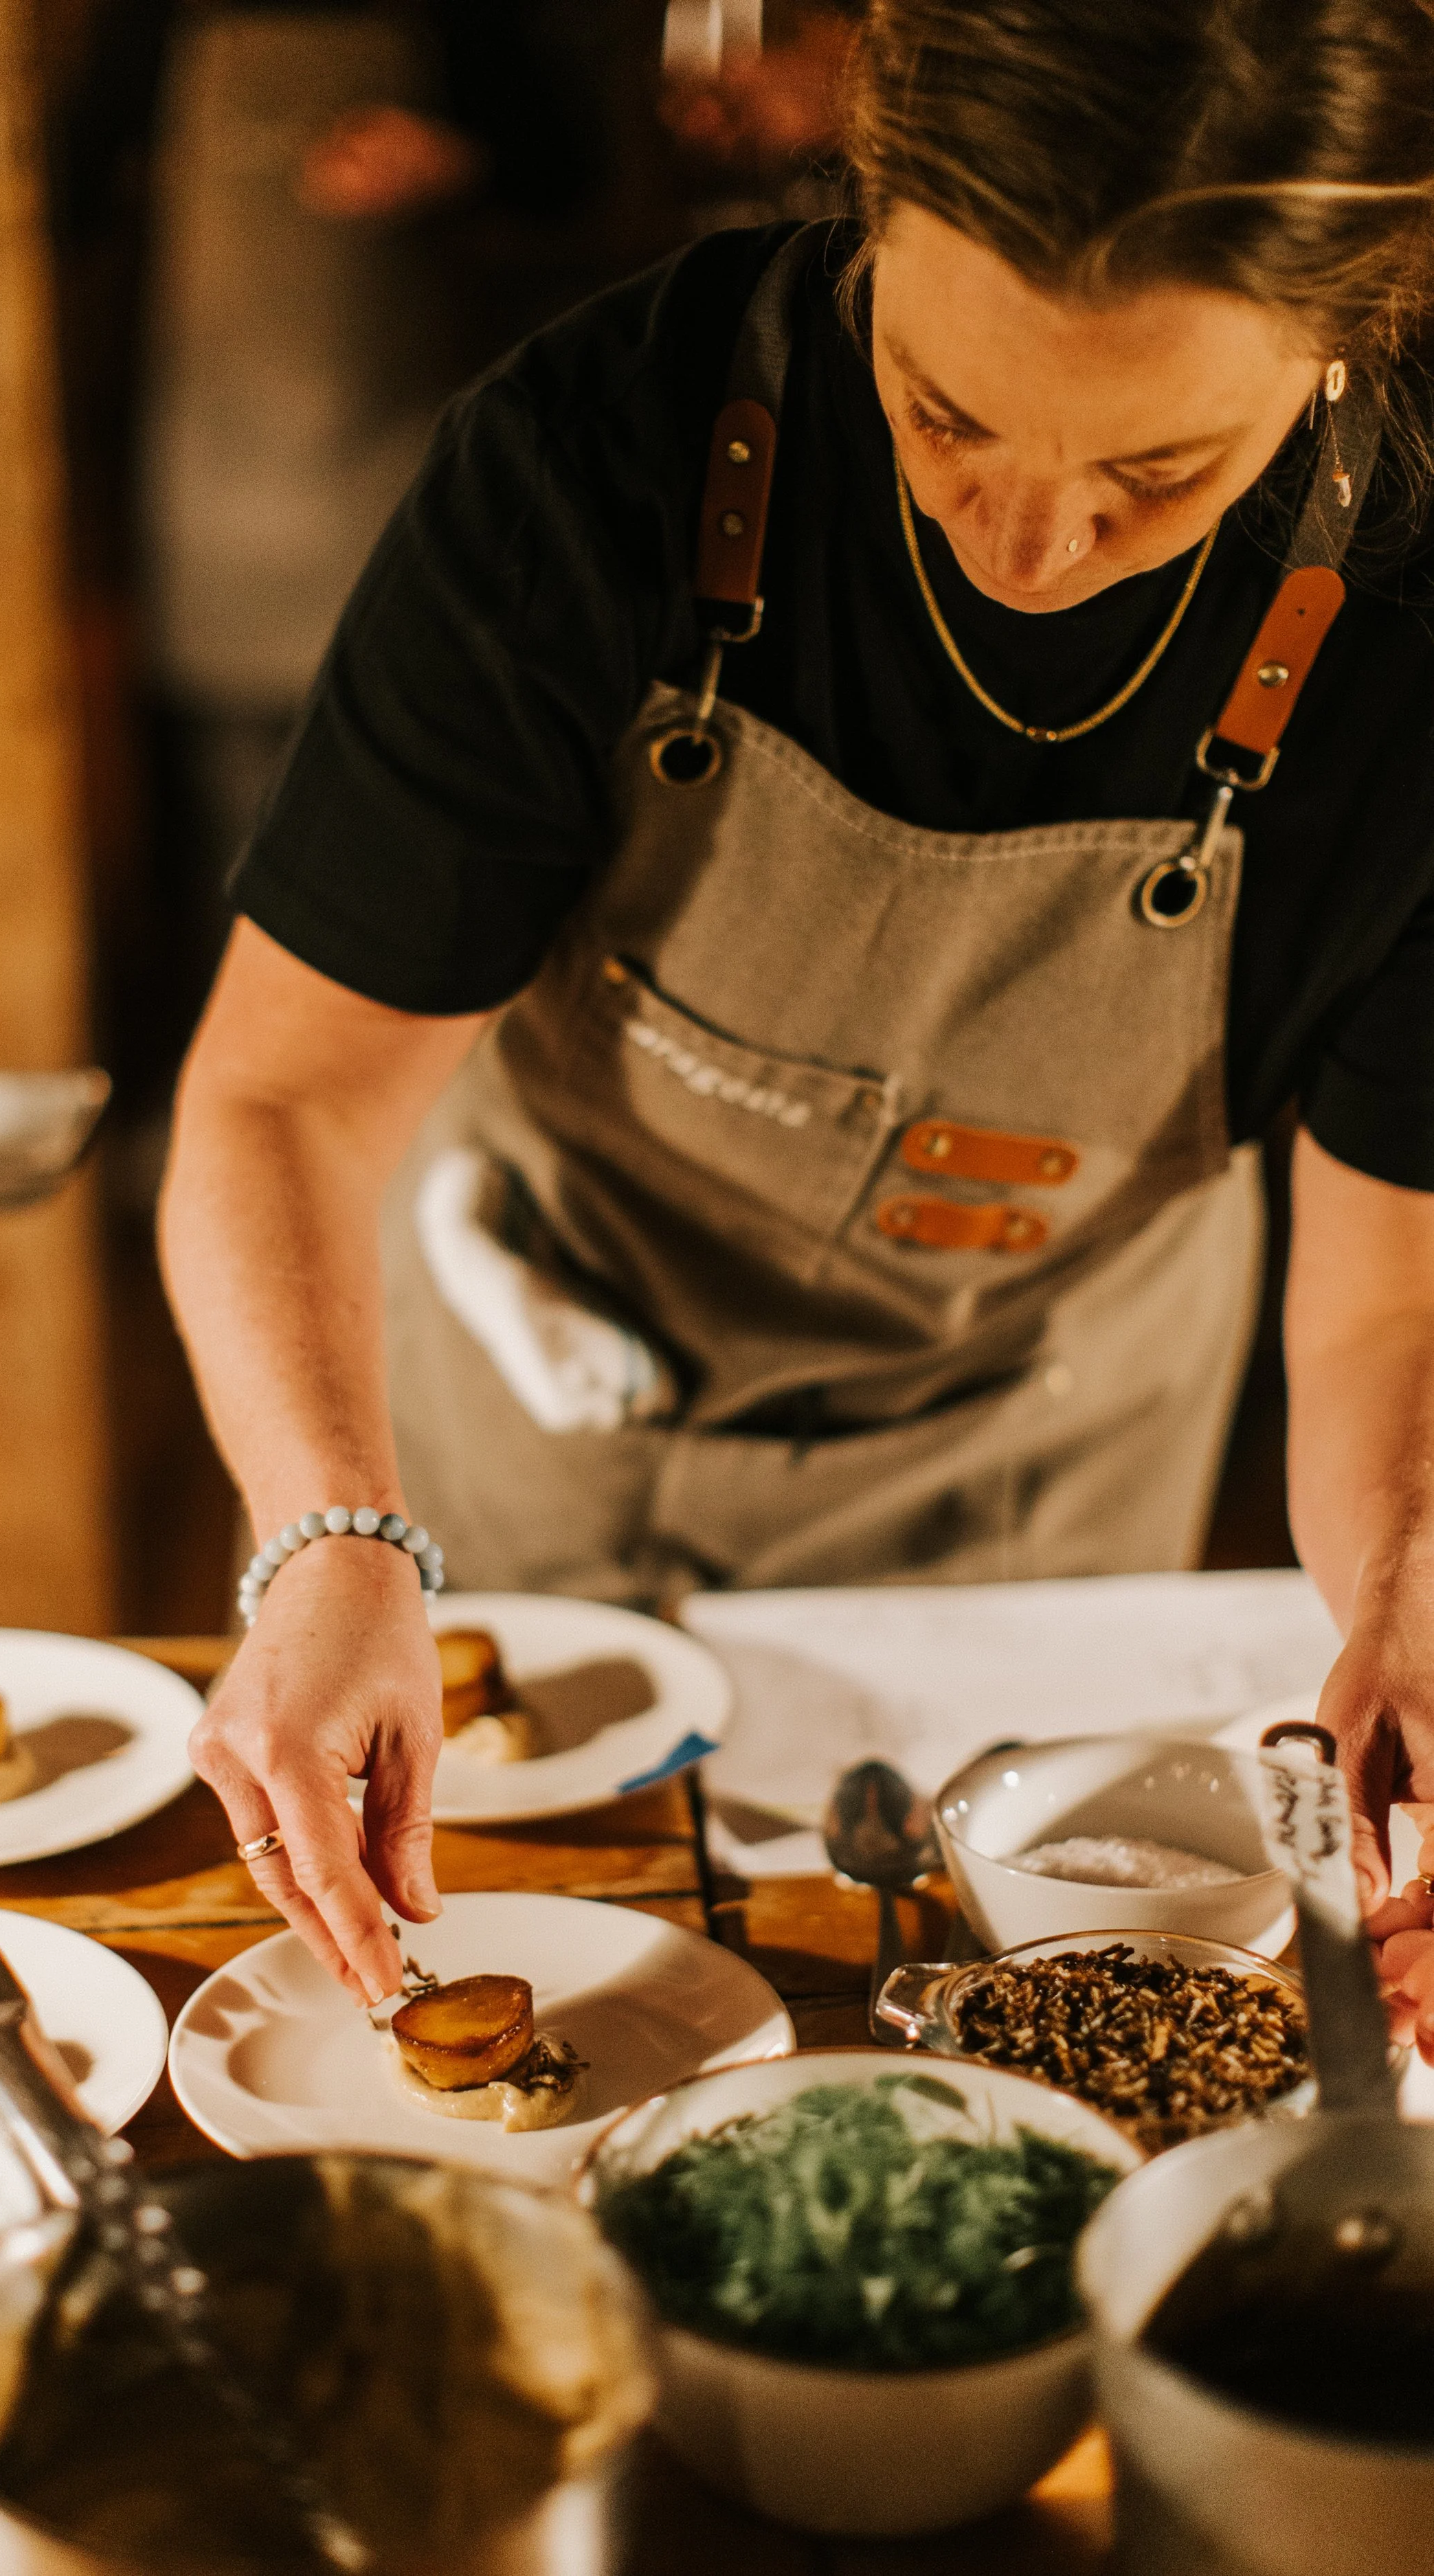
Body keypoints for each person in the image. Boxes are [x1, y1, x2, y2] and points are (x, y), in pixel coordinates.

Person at [157, 0, 1431, 2017]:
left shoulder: (1416, 643)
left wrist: (1403, 1593)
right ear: (862, 200)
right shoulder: (597, 455)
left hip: (1033, 1465)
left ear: (1357, 322)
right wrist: (326, 1537)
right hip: (533, 1411)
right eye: (943, 414)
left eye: (1156, 472)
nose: (1026, 549)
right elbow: (285, 1098)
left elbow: (1385, 1295)